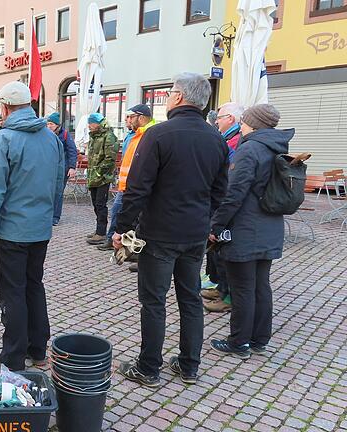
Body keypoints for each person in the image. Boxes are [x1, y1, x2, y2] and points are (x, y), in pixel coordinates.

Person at [113, 72, 228, 387]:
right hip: (194, 234)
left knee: (154, 301)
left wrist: (121, 229)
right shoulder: (215, 137)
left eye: (169, 94)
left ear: (178, 97)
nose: (166, 99)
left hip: (160, 234)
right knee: (190, 298)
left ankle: (148, 368)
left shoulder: (159, 134)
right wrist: (206, 222)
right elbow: (220, 191)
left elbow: (136, 190)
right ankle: (189, 365)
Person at [0, 81, 64, 371]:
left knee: (13, 292)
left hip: (12, 232)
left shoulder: (3, 140)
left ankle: (12, 358)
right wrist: (51, 217)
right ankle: (38, 349)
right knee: (33, 286)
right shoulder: (51, 139)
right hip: (39, 230)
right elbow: (57, 182)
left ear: (4, 107)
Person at [209, 104, 290, 360]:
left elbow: (234, 194)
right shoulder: (276, 147)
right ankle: (259, 340)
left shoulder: (250, 149)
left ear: (254, 124)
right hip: (270, 227)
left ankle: (239, 342)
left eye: (244, 121)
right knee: (261, 286)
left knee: (242, 287)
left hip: (246, 229)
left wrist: (216, 225)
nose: (241, 125)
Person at [203, 101, 245, 313]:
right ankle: (220, 288)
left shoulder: (235, 141)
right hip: (220, 202)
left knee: (223, 251)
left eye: (219, 117)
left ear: (230, 119)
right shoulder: (228, 138)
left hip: (224, 204)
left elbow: (228, 176)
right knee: (218, 252)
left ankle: (227, 295)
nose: (216, 120)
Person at [97, 105, 155, 257]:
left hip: (136, 187)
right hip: (128, 186)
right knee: (123, 214)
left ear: (140, 117)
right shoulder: (137, 134)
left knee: (132, 217)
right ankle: (128, 247)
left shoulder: (149, 135)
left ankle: (134, 250)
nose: (127, 120)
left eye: (131, 117)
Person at [84, 113, 118, 243]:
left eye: (91, 123)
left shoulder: (108, 136)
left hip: (103, 177)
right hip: (94, 176)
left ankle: (101, 232)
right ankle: (99, 230)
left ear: (98, 123)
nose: (89, 125)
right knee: (95, 204)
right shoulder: (94, 136)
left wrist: (99, 172)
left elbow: (110, 159)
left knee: (100, 204)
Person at [45, 112, 77, 226]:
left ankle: (55, 217)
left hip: (62, 169)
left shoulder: (65, 135)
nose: (49, 126)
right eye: (48, 124)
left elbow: (72, 151)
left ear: (57, 125)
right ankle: (46, 215)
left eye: (51, 124)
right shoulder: (44, 134)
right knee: (47, 192)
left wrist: (72, 167)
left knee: (58, 193)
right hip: (48, 168)